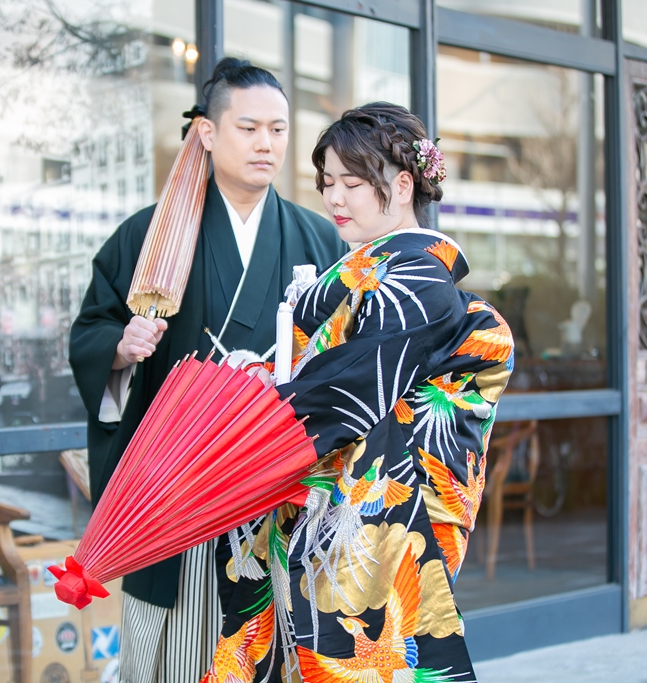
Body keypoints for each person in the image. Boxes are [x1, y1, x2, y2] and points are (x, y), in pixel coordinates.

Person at [199, 102, 514, 683]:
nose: (334, 198)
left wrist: (253, 426)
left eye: (352, 183)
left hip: (383, 509)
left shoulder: (418, 278)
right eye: (326, 183)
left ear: (402, 185)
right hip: (336, 498)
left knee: (364, 656)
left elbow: (349, 386)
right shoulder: (366, 269)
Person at [68, 57, 345, 683]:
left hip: (275, 482)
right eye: (248, 128)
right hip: (176, 486)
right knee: (181, 655)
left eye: (278, 129)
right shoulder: (151, 236)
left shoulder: (318, 239)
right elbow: (91, 331)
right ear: (208, 133)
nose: (266, 143)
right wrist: (121, 347)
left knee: (277, 649)